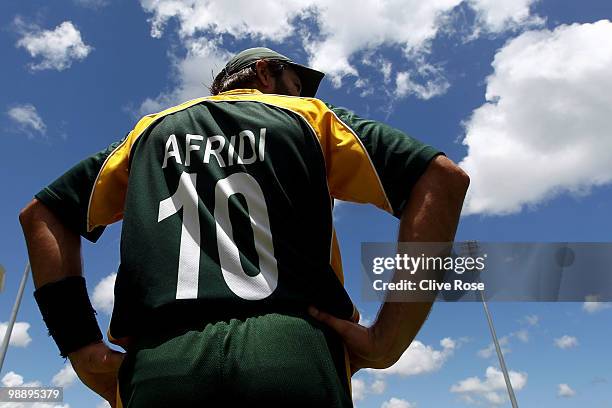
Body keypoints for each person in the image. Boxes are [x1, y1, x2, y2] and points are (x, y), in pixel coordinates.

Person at [19, 47, 469, 407]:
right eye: (294, 84)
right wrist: (389, 338)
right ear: (264, 74)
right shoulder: (310, 117)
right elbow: (442, 178)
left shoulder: (149, 132)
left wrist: (79, 344)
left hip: (161, 362)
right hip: (293, 351)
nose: (299, 94)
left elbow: (43, 213)